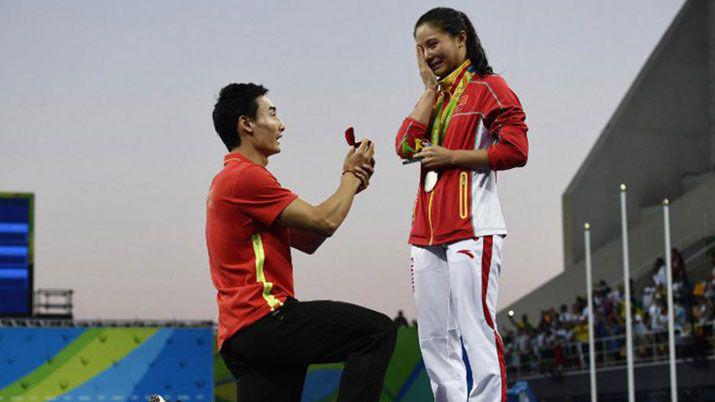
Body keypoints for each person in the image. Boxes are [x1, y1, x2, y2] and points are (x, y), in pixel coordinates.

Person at [207, 83, 396, 401]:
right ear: (246, 124)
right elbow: (325, 220)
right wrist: (348, 177)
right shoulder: (247, 177)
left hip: (241, 336)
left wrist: (352, 187)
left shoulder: (229, 181)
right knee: (376, 333)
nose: (281, 126)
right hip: (266, 318)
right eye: (272, 114)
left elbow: (308, 238)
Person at [395, 7, 528, 402]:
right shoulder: (437, 97)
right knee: (435, 337)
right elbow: (404, 145)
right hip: (427, 232)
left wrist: (453, 157)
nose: (428, 54)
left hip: (473, 227)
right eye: (420, 49)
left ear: (461, 38)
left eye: (433, 43)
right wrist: (428, 90)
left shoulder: (489, 86)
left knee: (476, 328)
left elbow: (516, 149)